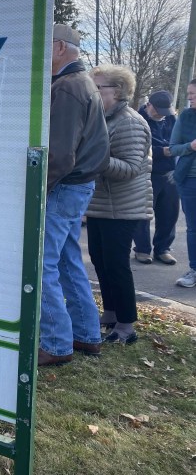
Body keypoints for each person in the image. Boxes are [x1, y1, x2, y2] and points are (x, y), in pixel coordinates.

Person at [39, 24, 110, 366]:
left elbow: (59, 154)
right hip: (78, 185)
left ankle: (54, 343)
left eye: (44, 45)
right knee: (67, 260)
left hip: (64, 186)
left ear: (59, 48)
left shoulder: (67, 87)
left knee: (42, 265)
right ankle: (86, 334)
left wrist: (39, 190)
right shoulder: (82, 84)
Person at [85, 65, 152, 345]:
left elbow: (131, 167)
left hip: (122, 208)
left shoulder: (129, 122)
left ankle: (126, 326)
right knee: (101, 262)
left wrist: (93, 157)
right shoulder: (102, 118)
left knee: (117, 265)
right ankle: (110, 313)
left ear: (118, 91)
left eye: (97, 88)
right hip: (101, 205)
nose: (93, 92)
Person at [132, 90, 178, 265]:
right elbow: (139, 145)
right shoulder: (138, 119)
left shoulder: (171, 118)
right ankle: (142, 249)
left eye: (164, 111)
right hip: (146, 172)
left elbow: (179, 139)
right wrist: (163, 150)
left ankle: (163, 248)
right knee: (143, 213)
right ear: (149, 105)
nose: (160, 114)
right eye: (157, 110)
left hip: (169, 173)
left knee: (169, 213)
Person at [169, 78, 196, 289]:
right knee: (193, 228)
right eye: (188, 93)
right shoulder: (186, 117)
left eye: (193, 94)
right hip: (190, 181)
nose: (189, 97)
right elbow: (173, 148)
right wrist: (191, 146)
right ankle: (194, 270)